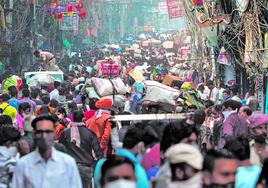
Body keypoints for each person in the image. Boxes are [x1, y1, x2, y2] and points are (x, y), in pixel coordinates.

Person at [12, 116, 82, 188]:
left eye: (48, 131)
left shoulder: (68, 163)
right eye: (40, 132)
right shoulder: (23, 164)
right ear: (34, 134)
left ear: (54, 134)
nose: (44, 136)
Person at [60, 110, 103, 188]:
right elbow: (98, 153)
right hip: (86, 168)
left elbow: (60, 151)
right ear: (83, 119)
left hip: (70, 168)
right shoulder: (90, 133)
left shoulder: (65, 133)